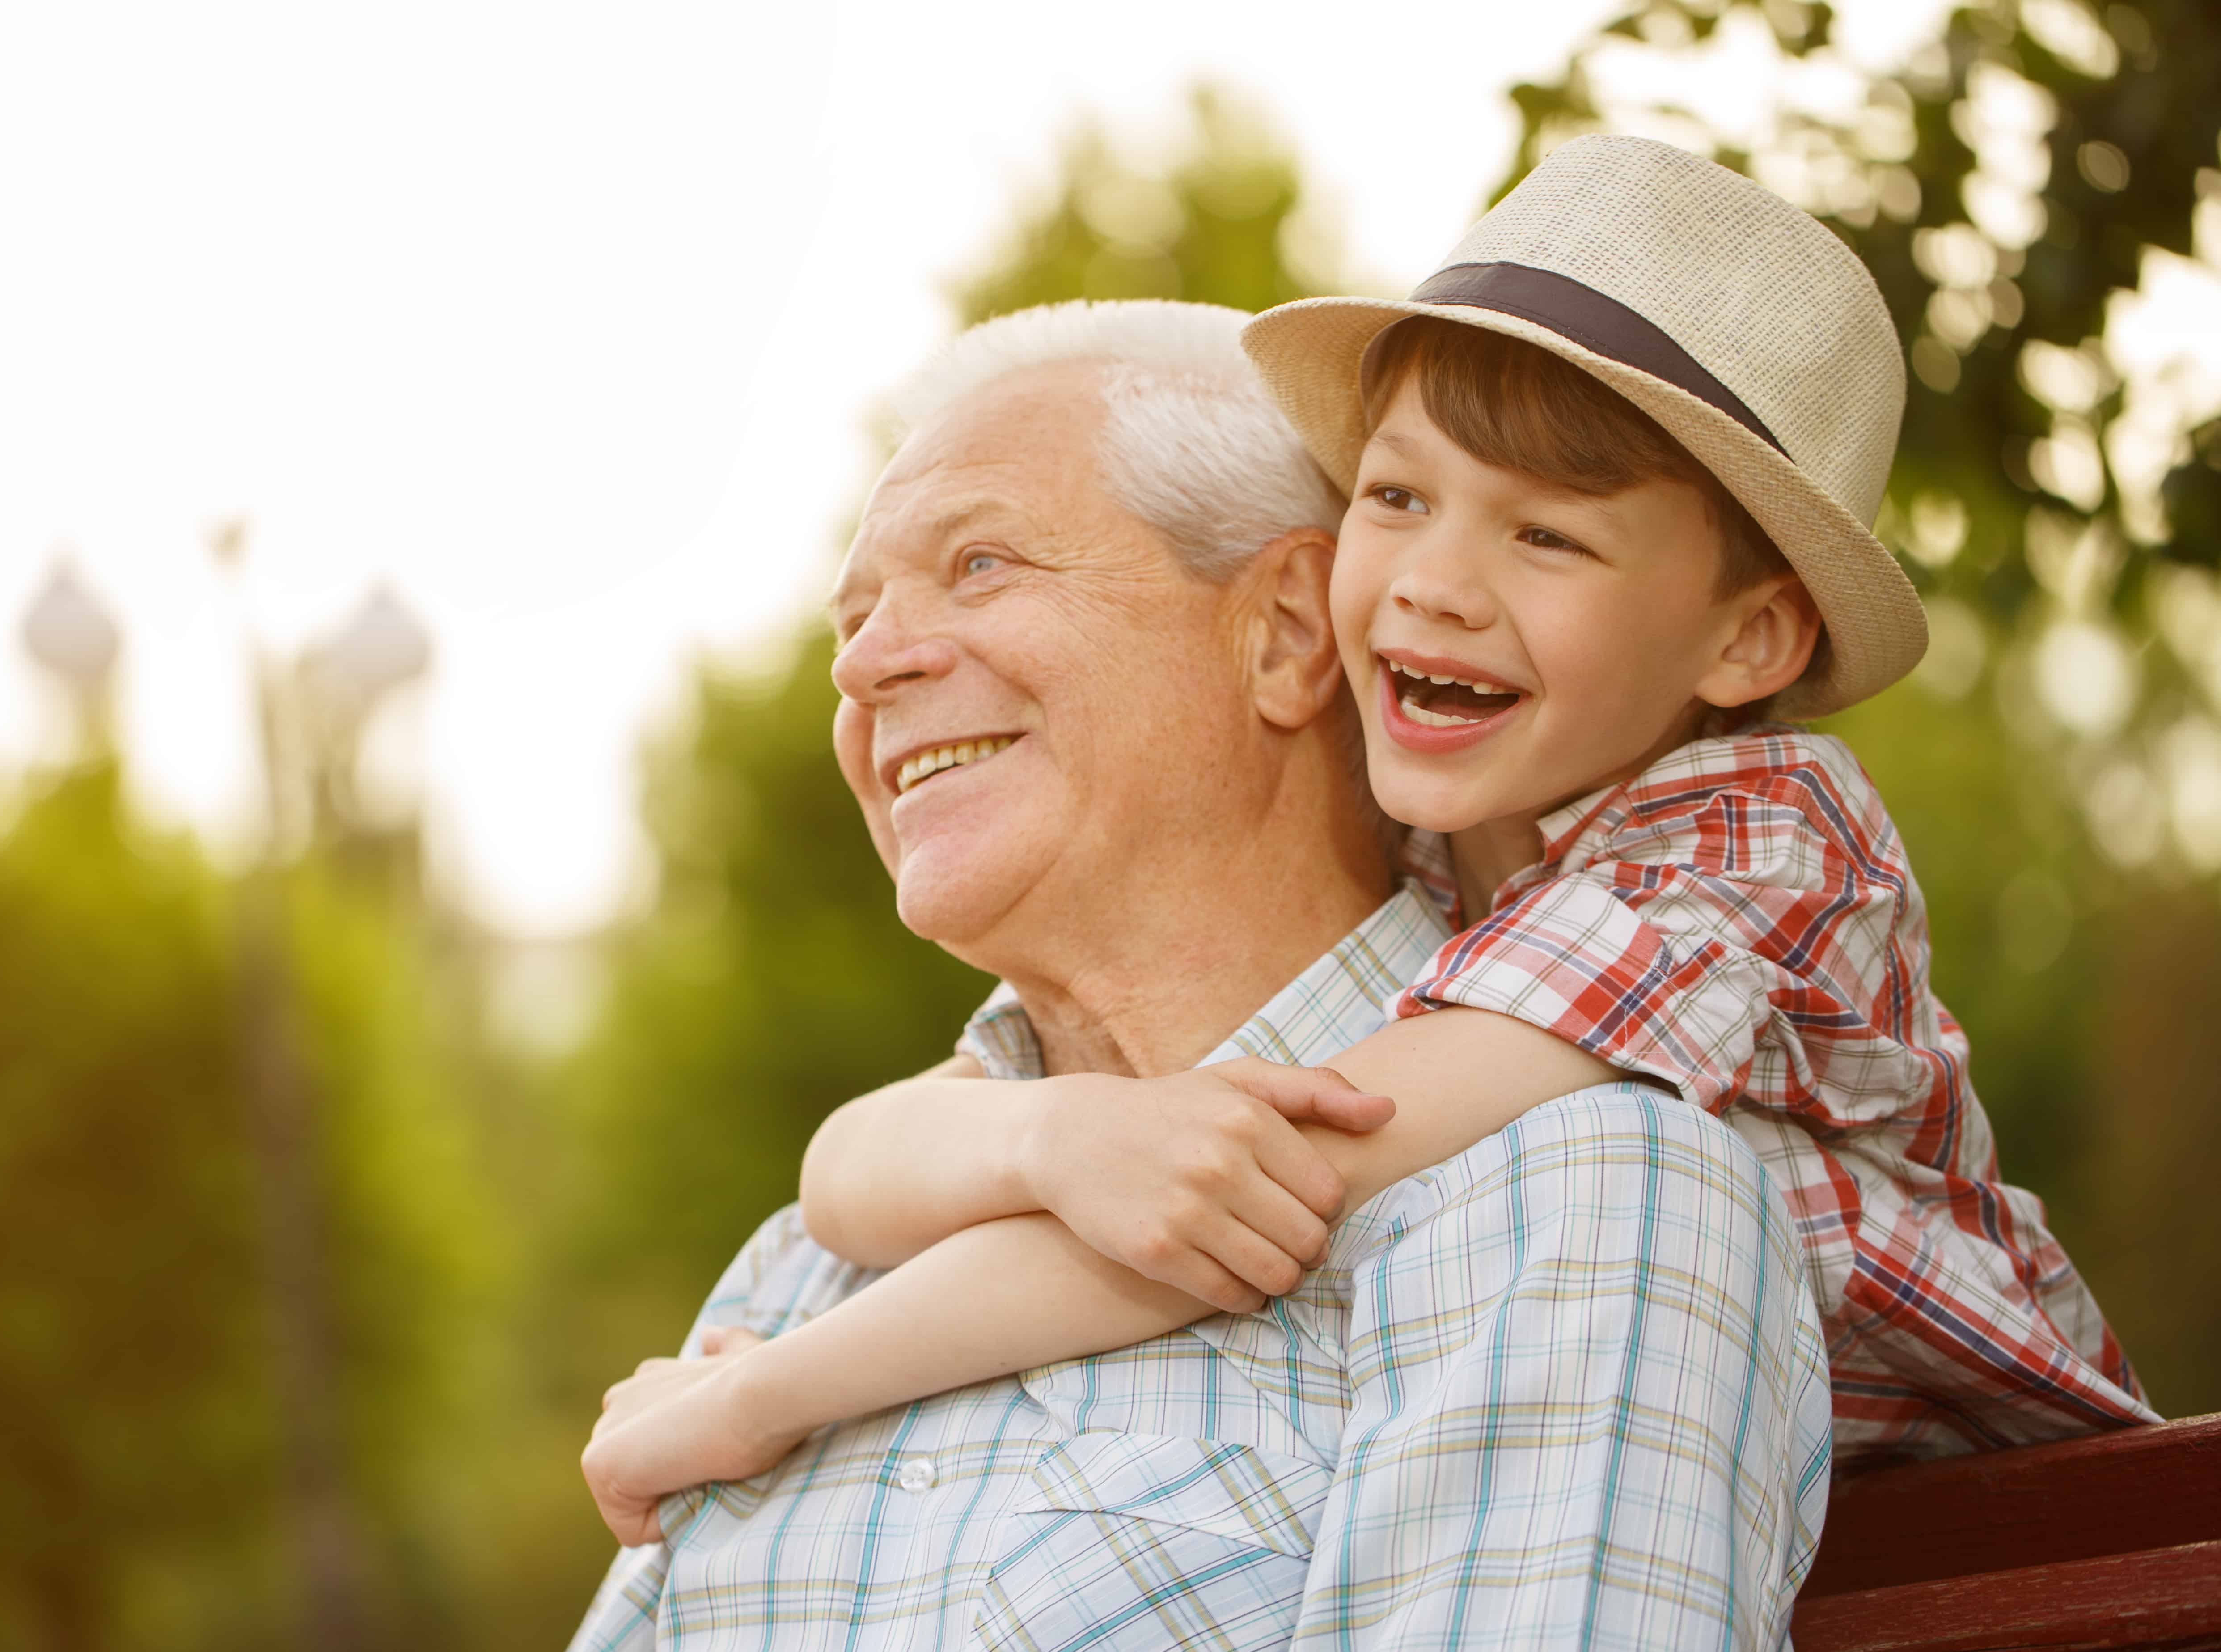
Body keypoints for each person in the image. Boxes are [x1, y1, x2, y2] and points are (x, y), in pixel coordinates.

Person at [575, 138, 2152, 1562]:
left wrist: (760, 1403)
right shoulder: (1439, 833)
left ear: (1747, 638)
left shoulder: (1746, 854)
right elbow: (852, 1166)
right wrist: (1046, 1142)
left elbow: (1270, 1188)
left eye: (1547, 534)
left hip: (2054, 1562)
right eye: (1398, 497)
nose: (1432, 587)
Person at [541, 286, 1830, 1652]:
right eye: (858, 620)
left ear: (1287, 634)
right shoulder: (809, 1268)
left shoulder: (1569, 1187)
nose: (863, 664)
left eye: (979, 566)